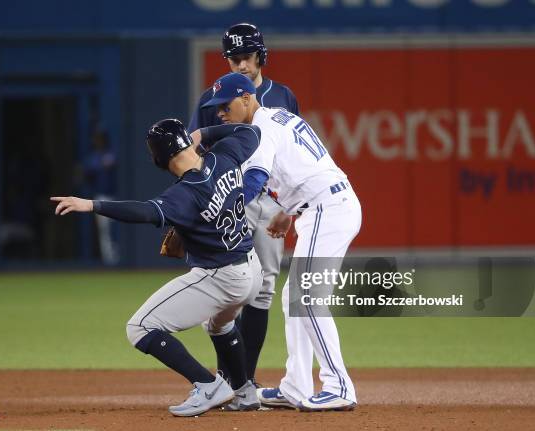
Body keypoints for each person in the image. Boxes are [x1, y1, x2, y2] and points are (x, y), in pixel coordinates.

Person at [51, 119, 264, 416]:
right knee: (219, 324)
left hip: (222, 275)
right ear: (188, 142)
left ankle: (209, 385)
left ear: (159, 160)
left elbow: (147, 212)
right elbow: (251, 131)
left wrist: (93, 205)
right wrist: (206, 133)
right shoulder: (225, 156)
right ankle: (244, 391)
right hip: (252, 269)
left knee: (139, 327)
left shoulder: (186, 192)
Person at [198, 72, 361, 411]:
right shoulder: (276, 116)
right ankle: (296, 387)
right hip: (322, 204)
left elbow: (256, 177)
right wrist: (287, 210)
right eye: (216, 108)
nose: (220, 113)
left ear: (246, 98)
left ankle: (339, 386)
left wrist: (226, 208)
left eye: (225, 106)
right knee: (294, 298)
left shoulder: (263, 128)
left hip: (327, 209)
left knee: (305, 297)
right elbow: (301, 163)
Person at [189, 22, 299, 387]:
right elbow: (192, 151)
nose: (240, 65)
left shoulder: (282, 95)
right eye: (233, 59)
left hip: (269, 199)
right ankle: (227, 376)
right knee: (226, 282)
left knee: (264, 288)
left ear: (260, 56)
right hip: (227, 197)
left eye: (246, 58)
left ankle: (244, 382)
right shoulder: (215, 97)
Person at [82, 128, 119, 264]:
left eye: (100, 137)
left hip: (116, 196)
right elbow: (88, 172)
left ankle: (118, 259)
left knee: (117, 229)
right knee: (104, 231)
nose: (98, 140)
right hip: (101, 197)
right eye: (96, 137)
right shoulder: (93, 156)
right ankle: (109, 260)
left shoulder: (111, 152)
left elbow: (113, 163)